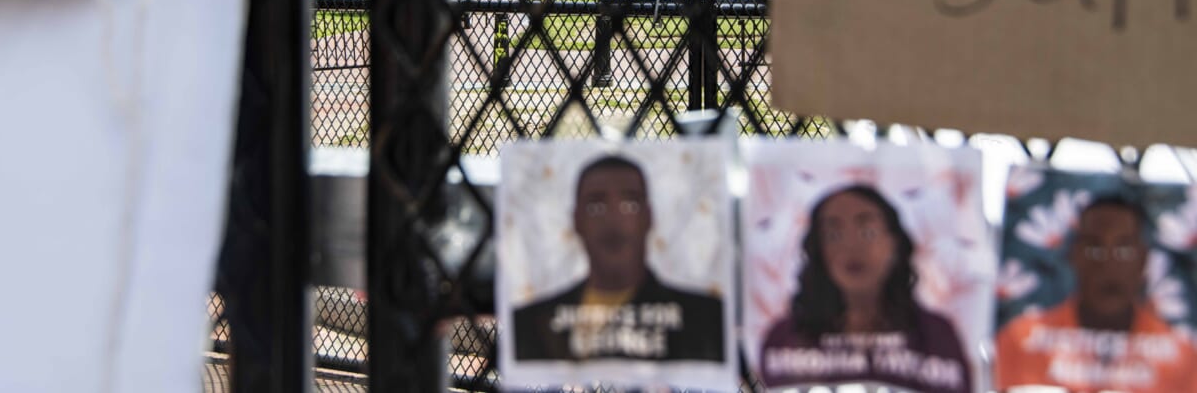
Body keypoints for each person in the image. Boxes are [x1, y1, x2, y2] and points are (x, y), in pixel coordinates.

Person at [511, 154, 725, 363]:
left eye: (630, 205)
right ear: (577, 220)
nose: (613, 219)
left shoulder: (706, 319)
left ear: (648, 217)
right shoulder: (529, 324)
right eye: (596, 206)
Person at [759, 184, 973, 393]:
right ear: (817, 249)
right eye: (834, 235)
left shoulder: (937, 335)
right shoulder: (784, 339)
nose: (852, 246)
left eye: (867, 232)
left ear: (894, 243)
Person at [995, 195, 1197, 393]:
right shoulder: (1019, 340)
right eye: (1094, 248)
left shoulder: (1184, 357)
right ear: (1074, 256)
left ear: (1143, 259)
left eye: (1124, 249)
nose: (1108, 264)